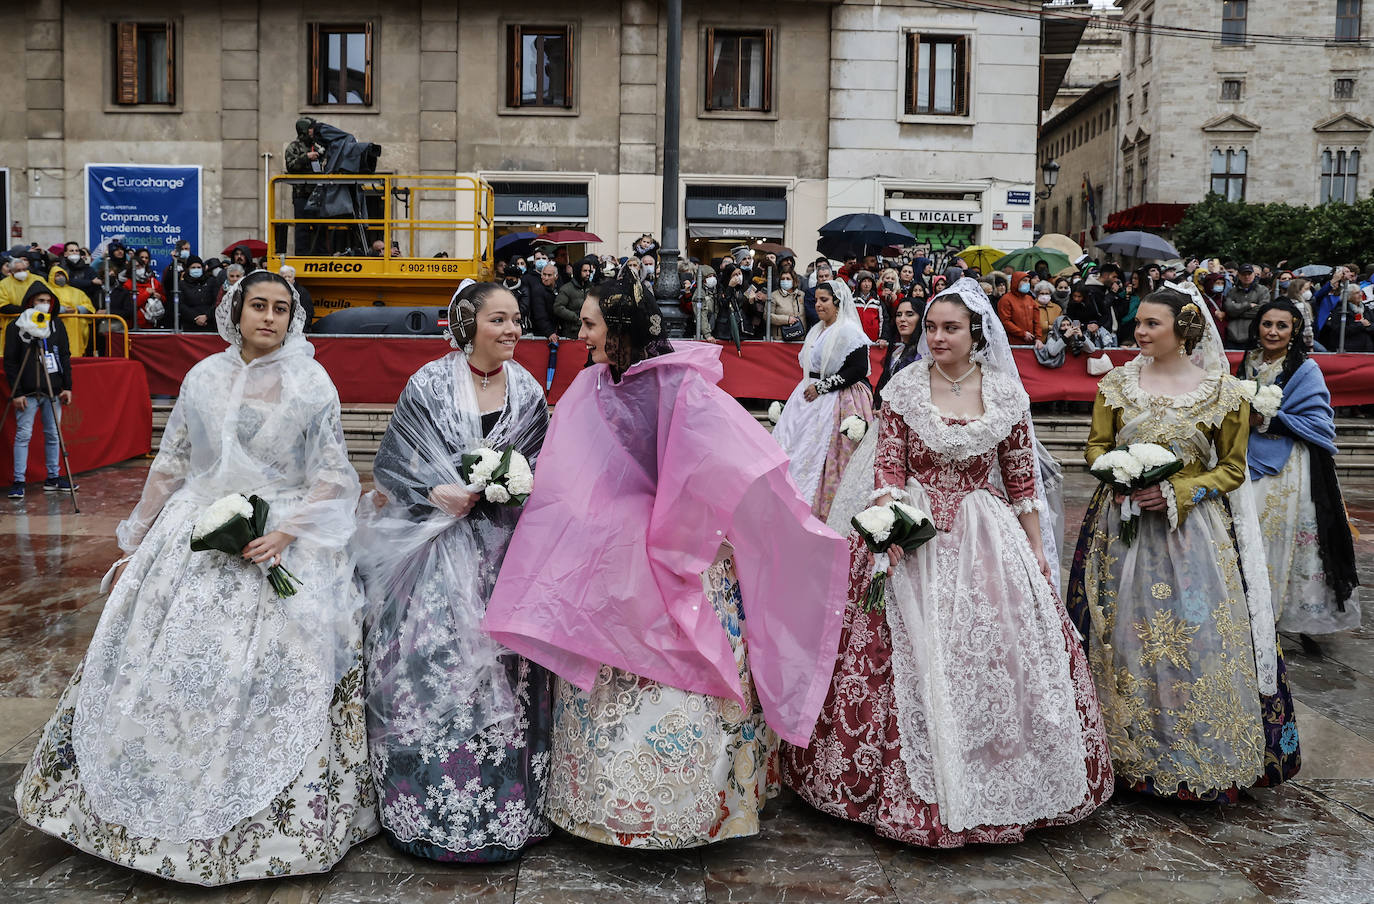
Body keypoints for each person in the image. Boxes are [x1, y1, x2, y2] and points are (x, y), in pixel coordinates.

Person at [14, 271, 378, 883]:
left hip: (280, 538)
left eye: (281, 309)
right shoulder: (201, 376)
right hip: (194, 533)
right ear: (235, 312)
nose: (268, 317)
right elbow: (174, 459)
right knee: (169, 667)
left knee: (266, 676)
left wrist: (287, 533)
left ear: (295, 318)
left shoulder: (312, 382)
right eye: (257, 306)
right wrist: (137, 533)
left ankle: (262, 823)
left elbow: (333, 475)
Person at [481, 274, 849, 849]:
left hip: (682, 553)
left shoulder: (684, 387)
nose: (581, 334)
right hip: (612, 557)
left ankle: (686, 807)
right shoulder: (593, 384)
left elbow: (730, 462)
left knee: (680, 664)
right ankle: (603, 806)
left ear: (621, 328)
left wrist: (681, 529)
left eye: (591, 324)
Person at [783, 277, 1112, 847]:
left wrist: (1035, 548)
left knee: (995, 655)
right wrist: (889, 522)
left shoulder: (1006, 393)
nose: (936, 336)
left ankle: (1001, 778)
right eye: (931, 327)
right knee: (900, 656)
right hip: (916, 528)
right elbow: (888, 467)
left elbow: (1021, 480)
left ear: (976, 334)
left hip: (986, 535)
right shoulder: (907, 387)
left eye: (949, 328)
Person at [1066, 283, 1301, 802]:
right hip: (1121, 528)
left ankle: (1192, 754)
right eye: (1139, 323)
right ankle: (1122, 755)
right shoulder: (1116, 385)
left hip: (1192, 534)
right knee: (1122, 633)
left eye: (1152, 324)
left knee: (1195, 637)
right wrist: (1121, 473)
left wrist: (1178, 489)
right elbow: (1096, 447)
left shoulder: (1223, 392)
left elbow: (1232, 469)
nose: (1140, 331)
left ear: (1183, 329)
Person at [356, 281, 551, 862]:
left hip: (503, 555)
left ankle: (503, 808)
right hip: (433, 556)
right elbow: (391, 468)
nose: (513, 329)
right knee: (434, 667)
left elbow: (545, 467)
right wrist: (433, 490)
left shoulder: (528, 392)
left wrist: (512, 485)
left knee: (507, 675)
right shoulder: (429, 384)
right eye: (500, 319)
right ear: (469, 325)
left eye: (517, 319)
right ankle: (427, 808)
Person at [1238, 299, 1360, 652]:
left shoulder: (1306, 370)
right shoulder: (1246, 365)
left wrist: (1268, 419)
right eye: (1267, 324)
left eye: (1281, 326)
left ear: (1294, 331)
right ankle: (1254, 615)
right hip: (1249, 463)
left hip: (1292, 469)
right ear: (1257, 327)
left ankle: (1302, 621)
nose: (1272, 332)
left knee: (1292, 543)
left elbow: (1320, 423)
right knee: (1253, 539)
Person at [771, 279, 874, 520]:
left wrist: (824, 386)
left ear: (837, 302)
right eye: (816, 300)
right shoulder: (817, 329)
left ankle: (818, 507)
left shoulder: (849, 330)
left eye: (824, 300)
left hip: (836, 398)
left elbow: (858, 368)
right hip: (807, 397)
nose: (818, 305)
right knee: (793, 446)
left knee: (823, 454)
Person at [5, 282, 75, 498]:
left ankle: (53, 476)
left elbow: (64, 355)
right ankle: (19, 481)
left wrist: (67, 386)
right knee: (23, 435)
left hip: (52, 390)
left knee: (53, 434)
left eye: (47, 301)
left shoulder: (56, 325)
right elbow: (10, 361)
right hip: (26, 391)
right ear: (30, 302)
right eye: (39, 301)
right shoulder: (16, 326)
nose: (44, 305)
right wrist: (16, 392)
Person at [873, 295, 922, 408]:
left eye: (909, 314)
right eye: (898, 315)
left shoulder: (922, 355)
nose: (902, 319)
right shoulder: (897, 352)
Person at [285, 117, 324, 253]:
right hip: (301, 193)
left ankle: (322, 255)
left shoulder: (317, 146)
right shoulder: (294, 147)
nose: (313, 131)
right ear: (304, 130)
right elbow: (290, 166)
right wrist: (306, 157)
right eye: (311, 128)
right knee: (302, 227)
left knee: (321, 226)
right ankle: (302, 254)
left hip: (317, 193)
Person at [45, 265, 97, 357]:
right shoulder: (47, 291)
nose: (60, 277)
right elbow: (45, 305)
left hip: (77, 327)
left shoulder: (77, 291)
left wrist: (78, 309)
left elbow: (89, 305)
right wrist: (62, 310)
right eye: (57, 275)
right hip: (58, 325)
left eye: (62, 275)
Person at [552, 254, 596, 339]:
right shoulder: (567, 289)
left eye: (589, 271)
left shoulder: (592, 288)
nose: (588, 274)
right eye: (585, 271)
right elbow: (558, 307)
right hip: (572, 332)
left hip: (590, 331)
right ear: (578, 271)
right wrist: (576, 317)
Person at [1224, 264, 1265, 349]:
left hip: (1253, 337)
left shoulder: (1262, 290)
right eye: (1243, 274)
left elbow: (1262, 311)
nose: (1246, 277)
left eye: (1249, 274)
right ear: (1238, 275)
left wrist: (1236, 312)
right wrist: (1248, 305)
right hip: (1232, 337)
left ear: (1254, 274)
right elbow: (1228, 309)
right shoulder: (1232, 291)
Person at [176, 256, 218, 332]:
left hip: (210, 324)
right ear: (188, 269)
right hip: (190, 326)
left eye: (199, 267)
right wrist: (195, 318)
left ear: (203, 268)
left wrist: (207, 316)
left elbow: (217, 301)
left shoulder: (211, 281)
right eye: (193, 267)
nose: (196, 269)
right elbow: (180, 305)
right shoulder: (182, 284)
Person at [997, 271, 1037, 344]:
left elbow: (1036, 320)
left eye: (1028, 281)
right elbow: (1005, 321)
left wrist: (1038, 338)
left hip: (1030, 341)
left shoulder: (1030, 299)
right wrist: (1022, 333)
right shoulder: (1006, 300)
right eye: (1024, 281)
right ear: (1016, 281)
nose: (1027, 284)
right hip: (1013, 342)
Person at [770, 268, 806, 341]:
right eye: (782, 279)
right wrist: (787, 319)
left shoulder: (802, 295)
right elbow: (767, 316)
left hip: (800, 339)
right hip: (781, 340)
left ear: (794, 280)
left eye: (788, 279)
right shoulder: (773, 295)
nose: (785, 281)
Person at [852, 270, 887, 343]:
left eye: (869, 281)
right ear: (859, 283)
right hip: (855, 341)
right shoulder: (852, 300)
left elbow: (884, 320)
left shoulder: (877, 301)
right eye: (864, 281)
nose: (867, 284)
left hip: (874, 341)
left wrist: (882, 337)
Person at [528, 260, 560, 339]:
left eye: (549, 275)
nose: (546, 278)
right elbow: (540, 315)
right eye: (544, 274)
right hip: (542, 334)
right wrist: (549, 332)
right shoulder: (538, 291)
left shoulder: (559, 289)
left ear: (556, 277)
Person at [278, 265, 315, 331]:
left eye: (289, 277)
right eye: (284, 277)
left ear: (293, 278)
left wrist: (303, 330)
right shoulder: (277, 291)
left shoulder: (302, 292)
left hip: (299, 330)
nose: (287, 279)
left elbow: (308, 312)